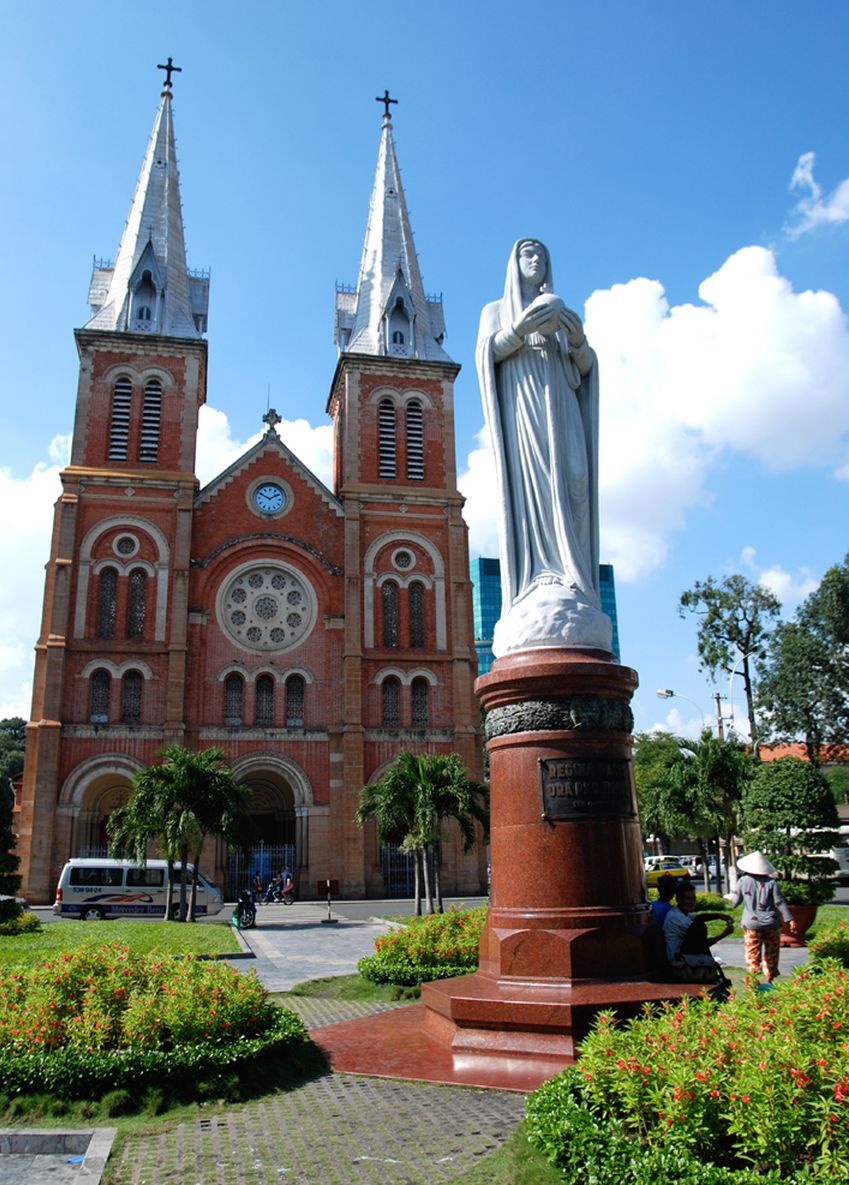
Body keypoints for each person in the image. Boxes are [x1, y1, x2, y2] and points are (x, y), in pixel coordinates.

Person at [475, 239, 612, 656]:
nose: (535, 260)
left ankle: (573, 576)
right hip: (526, 413)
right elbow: (487, 353)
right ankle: (540, 575)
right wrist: (519, 329)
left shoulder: (563, 310)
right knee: (535, 487)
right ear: (513, 263)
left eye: (542, 255)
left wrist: (578, 340)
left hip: (563, 410)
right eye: (527, 253)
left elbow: (585, 368)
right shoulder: (495, 311)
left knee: (574, 479)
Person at [727, 850, 796, 983]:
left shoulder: (743, 881)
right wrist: (789, 918)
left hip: (751, 923)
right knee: (771, 953)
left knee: (752, 952)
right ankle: (770, 978)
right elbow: (779, 901)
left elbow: (736, 902)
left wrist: (729, 900)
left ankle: (752, 981)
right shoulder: (771, 882)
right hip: (772, 922)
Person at [663, 880, 734, 966]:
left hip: (684, 957)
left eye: (694, 898)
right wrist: (724, 934)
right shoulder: (677, 918)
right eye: (688, 899)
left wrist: (718, 915)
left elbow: (698, 917)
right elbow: (703, 945)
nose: (692, 902)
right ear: (678, 899)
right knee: (699, 927)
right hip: (677, 962)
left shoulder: (680, 912)